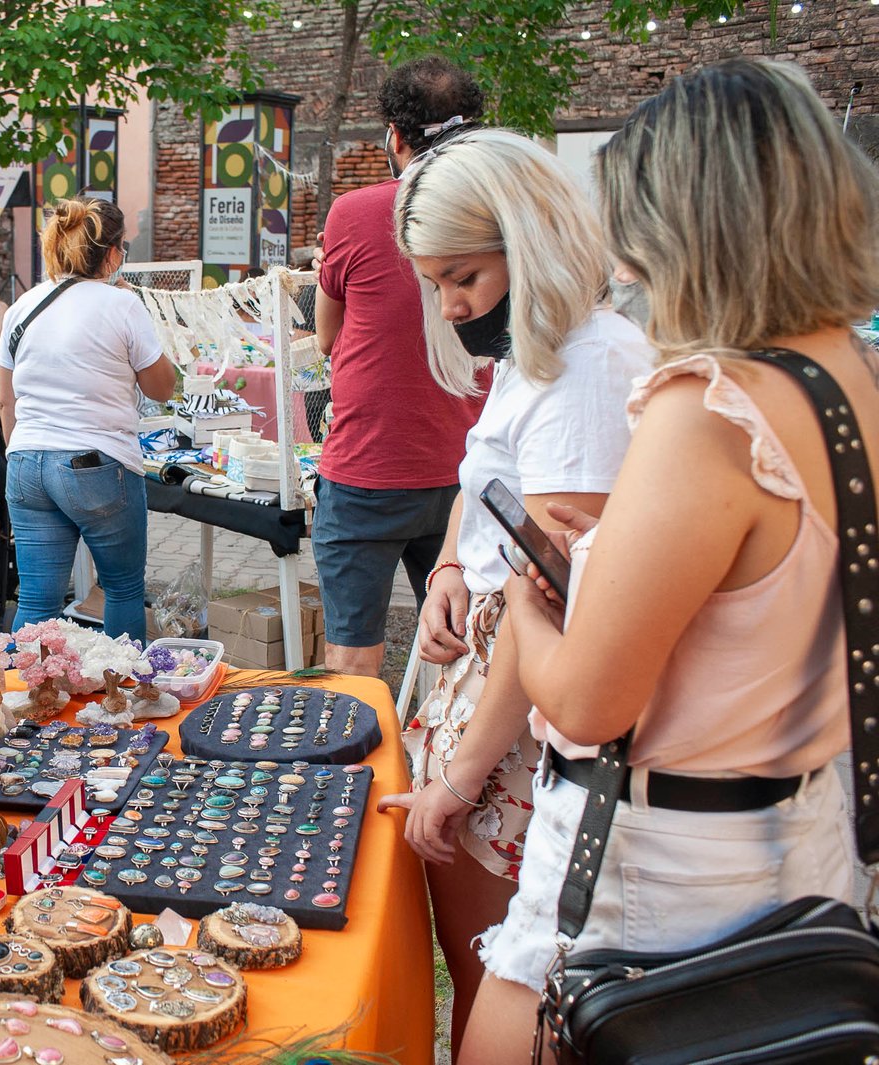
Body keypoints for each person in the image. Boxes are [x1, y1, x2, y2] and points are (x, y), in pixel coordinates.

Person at [461, 58, 877, 1064]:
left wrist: (528, 605)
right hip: (804, 841)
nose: (627, 268)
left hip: (657, 868)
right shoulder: (851, 376)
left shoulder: (709, 410)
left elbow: (590, 704)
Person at [373, 129, 656, 1056]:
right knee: (479, 971)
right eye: (437, 285)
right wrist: (452, 566)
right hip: (489, 696)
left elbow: (554, 607)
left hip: (515, 718)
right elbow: (482, 483)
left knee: (504, 985)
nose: (452, 305)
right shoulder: (545, 348)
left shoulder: (587, 368)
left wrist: (458, 776)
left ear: (527, 241)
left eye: (465, 277)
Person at [313, 57, 490, 681]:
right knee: (457, 639)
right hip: (467, 466)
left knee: (354, 651)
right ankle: (444, 761)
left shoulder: (357, 212)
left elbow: (327, 338)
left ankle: (349, 769)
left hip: (369, 466)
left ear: (395, 136)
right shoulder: (498, 215)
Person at [0, 198, 177, 639]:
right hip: (96, 464)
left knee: (37, 599)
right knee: (123, 589)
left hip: (25, 461)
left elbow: (5, 400)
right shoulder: (122, 305)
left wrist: (19, 455)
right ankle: (124, 699)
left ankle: (23, 699)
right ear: (114, 254)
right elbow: (162, 388)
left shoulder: (23, 305)